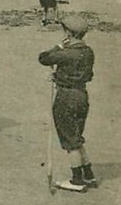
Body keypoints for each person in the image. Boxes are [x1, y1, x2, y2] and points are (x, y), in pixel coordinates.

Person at [38, 15, 96, 192]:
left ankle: (77, 180)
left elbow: (44, 58)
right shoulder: (88, 52)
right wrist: (59, 75)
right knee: (76, 137)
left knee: (70, 140)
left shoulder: (66, 52)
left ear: (69, 33)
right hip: (81, 95)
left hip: (66, 97)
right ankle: (88, 174)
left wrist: (59, 46)